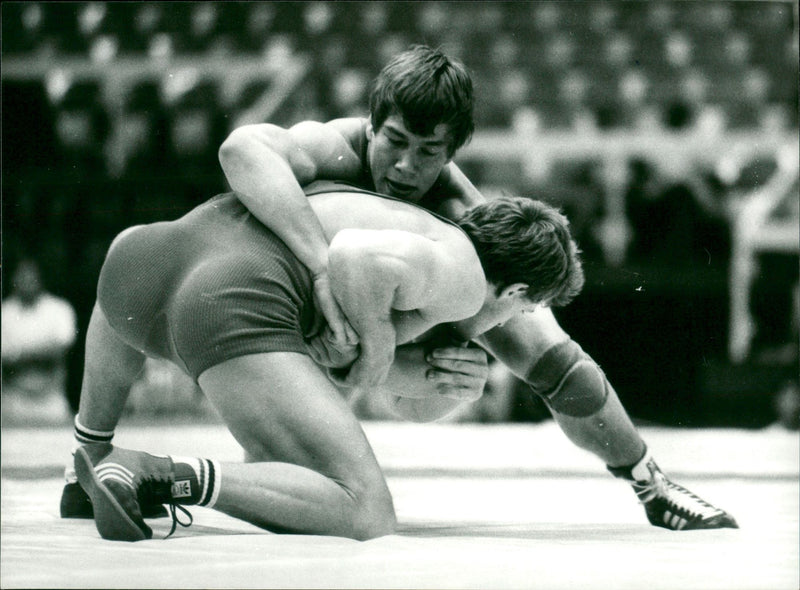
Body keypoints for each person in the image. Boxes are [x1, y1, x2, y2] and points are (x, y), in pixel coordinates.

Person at [216, 44, 738, 531]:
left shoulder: (457, 210)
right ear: (372, 126)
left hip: (357, 324)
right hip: (278, 302)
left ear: (453, 151)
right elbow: (241, 148)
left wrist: (449, 353)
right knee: (294, 488)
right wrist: (321, 267)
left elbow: (436, 391)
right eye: (395, 141)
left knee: (552, 357)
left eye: (427, 152)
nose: (404, 166)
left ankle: (650, 481)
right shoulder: (336, 148)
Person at [67, 181, 583, 542]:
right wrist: (378, 347)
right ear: (516, 289)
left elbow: (369, 376)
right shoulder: (464, 276)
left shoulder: (409, 227)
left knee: (285, 478)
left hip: (141, 260)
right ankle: (159, 473)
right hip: (229, 295)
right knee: (366, 510)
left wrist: (428, 377)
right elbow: (355, 257)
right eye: (526, 308)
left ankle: (87, 459)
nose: (509, 322)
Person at [2, 258, 77, 426]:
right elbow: (3, 359)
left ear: (40, 278)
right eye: (22, 276)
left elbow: (60, 350)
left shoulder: (59, 309)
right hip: (14, 399)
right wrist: (42, 350)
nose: (26, 281)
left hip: (51, 400)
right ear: (13, 279)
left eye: (31, 276)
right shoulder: (4, 312)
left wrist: (18, 353)